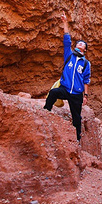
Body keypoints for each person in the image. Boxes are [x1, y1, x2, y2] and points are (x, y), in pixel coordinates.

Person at [43, 13, 91, 141]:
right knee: (53, 93)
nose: (80, 45)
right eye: (78, 44)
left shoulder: (86, 63)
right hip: (65, 89)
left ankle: (77, 140)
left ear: (84, 50)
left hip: (76, 94)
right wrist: (65, 23)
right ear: (75, 47)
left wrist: (85, 95)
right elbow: (67, 40)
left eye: (82, 45)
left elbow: (86, 80)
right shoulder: (69, 55)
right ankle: (45, 112)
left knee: (76, 117)